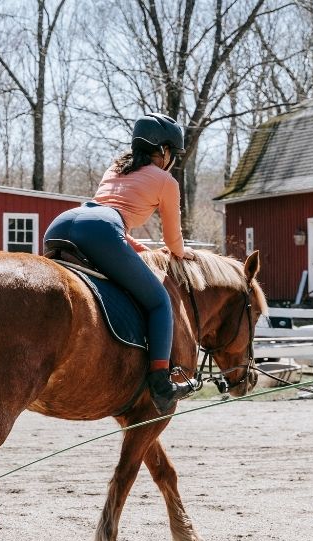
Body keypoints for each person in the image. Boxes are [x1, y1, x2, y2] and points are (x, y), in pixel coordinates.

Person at [43, 113, 197, 413]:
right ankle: (161, 381)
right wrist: (180, 252)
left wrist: (132, 244)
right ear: (164, 150)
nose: (172, 160)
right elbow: (172, 237)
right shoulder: (165, 181)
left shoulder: (117, 167)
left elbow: (109, 216)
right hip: (100, 231)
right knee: (159, 302)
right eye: (172, 154)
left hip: (62, 224)